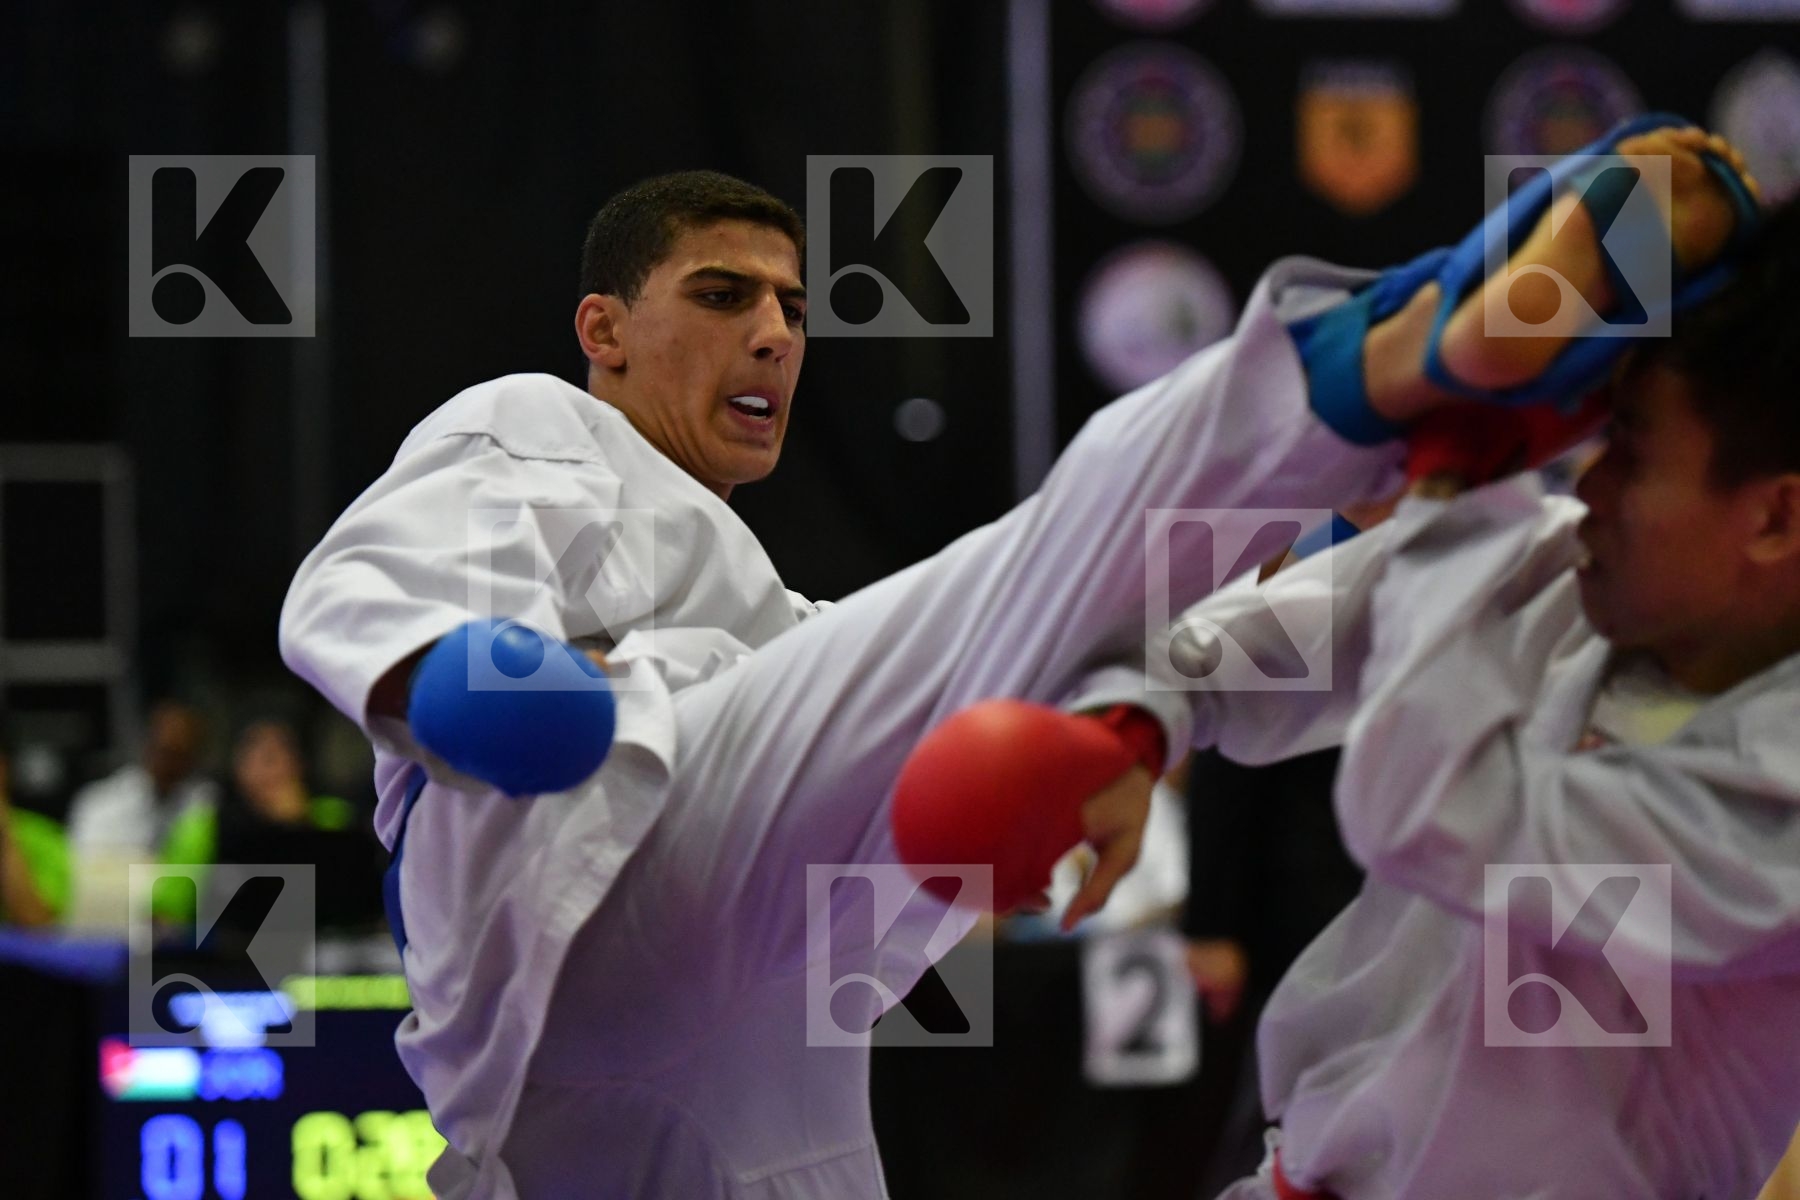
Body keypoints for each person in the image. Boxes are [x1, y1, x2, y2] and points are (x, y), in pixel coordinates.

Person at [280, 124, 1752, 1197]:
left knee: (1047, 625)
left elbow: (1047, 653)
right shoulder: (542, 425)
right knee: (1017, 579)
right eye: (726, 296)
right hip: (591, 903)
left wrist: (1124, 735)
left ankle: (1402, 468)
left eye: (795, 307)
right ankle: (1398, 352)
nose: (778, 334)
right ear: (603, 329)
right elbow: (371, 578)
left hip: (744, 1087)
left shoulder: (773, 617)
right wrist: (447, 675)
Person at [1149, 193, 1800, 1198]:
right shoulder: (1556, 569)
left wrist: (1463, 463)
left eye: (1630, 445)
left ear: (1775, 518)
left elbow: (1434, 809)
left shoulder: (1784, 791)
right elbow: (1221, 659)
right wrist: (1134, 727)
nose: (1590, 481)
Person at [63, 700, 218, 930]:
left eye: (181, 753)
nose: (171, 764)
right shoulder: (98, 803)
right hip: (107, 930)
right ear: (147, 745)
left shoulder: (208, 804)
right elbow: (84, 879)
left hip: (179, 937)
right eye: (165, 751)